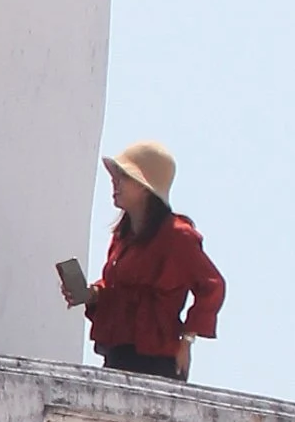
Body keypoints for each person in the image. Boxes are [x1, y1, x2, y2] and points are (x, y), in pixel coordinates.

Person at [85, 139, 226, 377]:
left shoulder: (178, 235)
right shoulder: (123, 236)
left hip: (156, 360)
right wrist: (92, 294)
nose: (114, 182)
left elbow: (213, 286)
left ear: (144, 186)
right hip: (117, 354)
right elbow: (118, 291)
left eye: (124, 176)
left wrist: (187, 340)